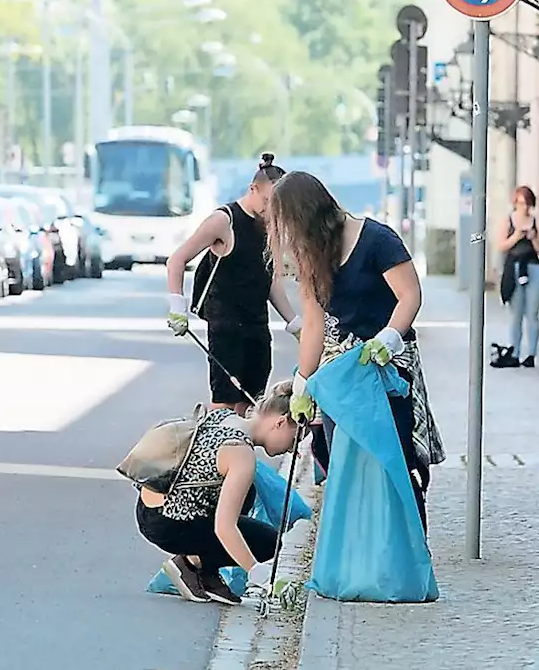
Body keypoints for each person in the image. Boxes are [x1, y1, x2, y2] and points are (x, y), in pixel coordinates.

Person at [263, 171, 443, 528]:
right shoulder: (311, 255)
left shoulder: (378, 240)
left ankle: (410, 547)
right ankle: (358, 551)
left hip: (387, 368)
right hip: (341, 375)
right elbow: (314, 323)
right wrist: (302, 380)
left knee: (394, 460)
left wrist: (389, 337)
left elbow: (410, 295)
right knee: (342, 464)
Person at [135, 379, 300, 606]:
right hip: (168, 525)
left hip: (150, 508)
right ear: (280, 423)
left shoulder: (227, 417)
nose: (294, 449)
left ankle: (202, 569)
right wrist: (258, 574)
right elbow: (224, 527)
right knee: (268, 542)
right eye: (295, 439)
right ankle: (191, 564)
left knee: (247, 492)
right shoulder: (241, 453)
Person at [165, 153, 302, 417]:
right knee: (225, 406)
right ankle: (215, 449)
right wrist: (177, 306)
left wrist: (294, 323)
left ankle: (241, 456)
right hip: (226, 327)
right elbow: (177, 259)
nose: (270, 210)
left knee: (251, 407)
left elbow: (270, 281)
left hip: (257, 327)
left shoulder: (269, 227)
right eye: (267, 202)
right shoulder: (224, 220)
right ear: (253, 189)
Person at [492, 185, 539, 369]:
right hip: (514, 269)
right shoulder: (508, 221)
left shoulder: (538, 223)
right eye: (520, 203)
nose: (523, 207)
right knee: (516, 313)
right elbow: (500, 245)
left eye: (526, 203)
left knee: (532, 313)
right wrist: (516, 236)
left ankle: (531, 355)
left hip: (533, 268)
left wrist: (533, 237)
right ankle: (515, 353)